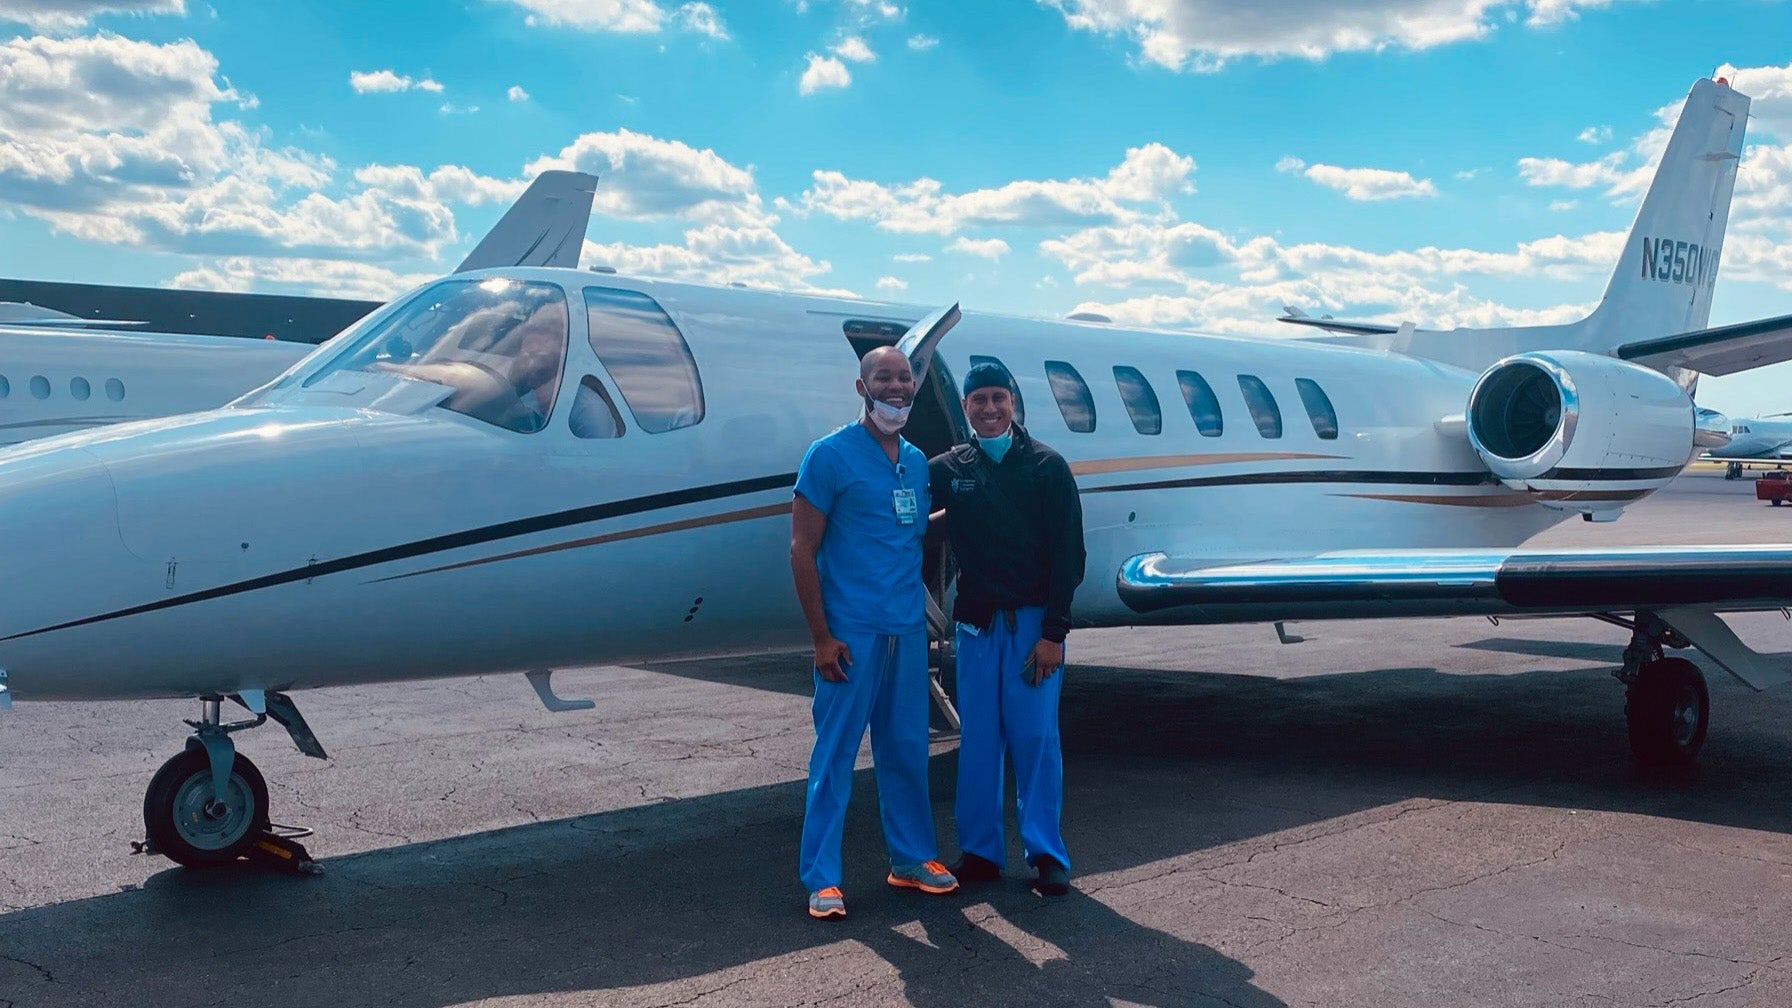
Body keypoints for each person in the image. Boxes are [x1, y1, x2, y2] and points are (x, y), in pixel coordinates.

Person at [790, 346, 959, 920]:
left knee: (907, 748)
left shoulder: (915, 461)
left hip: (905, 629)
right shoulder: (829, 456)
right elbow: (801, 548)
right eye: (882, 377)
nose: (896, 386)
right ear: (861, 387)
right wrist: (820, 636)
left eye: (904, 377)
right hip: (851, 635)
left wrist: (971, 511)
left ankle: (911, 859)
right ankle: (822, 877)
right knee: (834, 756)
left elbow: (908, 534)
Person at [929, 361, 1086, 896]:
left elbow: (1070, 556)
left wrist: (1053, 635)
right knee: (978, 740)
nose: (989, 408)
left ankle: (1046, 854)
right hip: (976, 628)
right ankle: (979, 852)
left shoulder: (1047, 467)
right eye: (979, 400)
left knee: (1036, 739)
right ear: (967, 407)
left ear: (1013, 403)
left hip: (1031, 629)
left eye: (999, 397)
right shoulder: (948, 468)